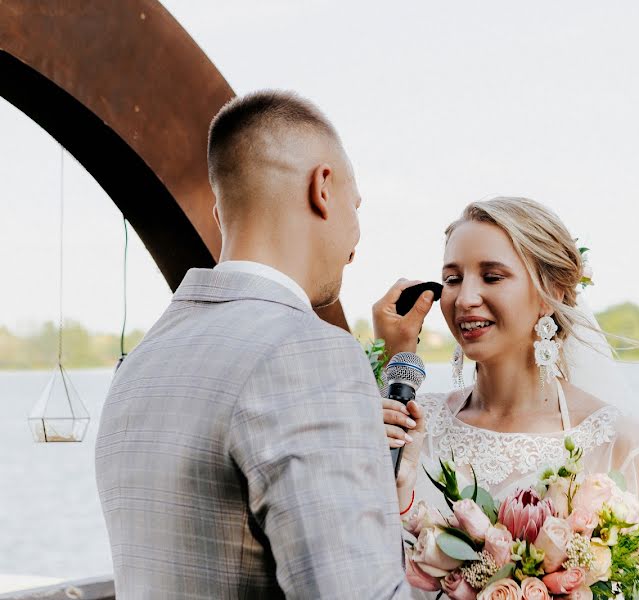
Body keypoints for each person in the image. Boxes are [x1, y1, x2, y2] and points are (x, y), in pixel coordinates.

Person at [95, 90, 410, 599]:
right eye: (357, 205)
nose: (356, 238)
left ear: (221, 217)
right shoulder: (309, 354)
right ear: (323, 188)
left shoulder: (139, 364)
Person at [375, 197, 639, 599]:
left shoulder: (617, 441)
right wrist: (393, 360)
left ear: (552, 293)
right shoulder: (413, 422)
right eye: (453, 278)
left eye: (492, 277)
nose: (464, 299)